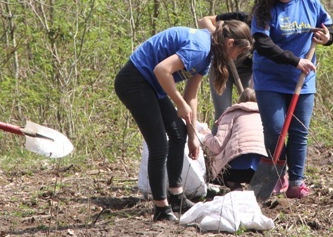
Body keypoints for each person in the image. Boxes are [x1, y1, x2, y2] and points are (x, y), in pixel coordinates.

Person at [114, 21, 253, 221]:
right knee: (159, 145)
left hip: (152, 86)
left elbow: (191, 97)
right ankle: (161, 209)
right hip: (134, 81)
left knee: (178, 135)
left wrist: (192, 135)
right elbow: (162, 70)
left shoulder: (209, 55)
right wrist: (179, 103)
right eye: (238, 53)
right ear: (230, 43)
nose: (236, 58)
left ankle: (177, 196)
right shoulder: (200, 47)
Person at [250, 0, 333, 199]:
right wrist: (294, 60)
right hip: (270, 78)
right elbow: (262, 43)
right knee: (276, 129)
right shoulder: (264, 7)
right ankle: (278, 175)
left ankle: (297, 182)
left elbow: (328, 29)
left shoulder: (310, 0)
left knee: (299, 130)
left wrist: (327, 37)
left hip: (303, 79)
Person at [200, 88, 267, 190]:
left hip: (235, 170)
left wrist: (206, 136)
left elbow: (217, 146)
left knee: (213, 174)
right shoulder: (267, 116)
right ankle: (255, 188)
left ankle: (235, 185)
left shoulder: (232, 113)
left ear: (240, 101)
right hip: (262, 168)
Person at [198, 12, 253, 134]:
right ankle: (216, 149)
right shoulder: (241, 18)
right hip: (222, 67)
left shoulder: (271, 29)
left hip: (249, 72)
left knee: (251, 110)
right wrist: (220, 38)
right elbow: (203, 20)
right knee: (223, 113)